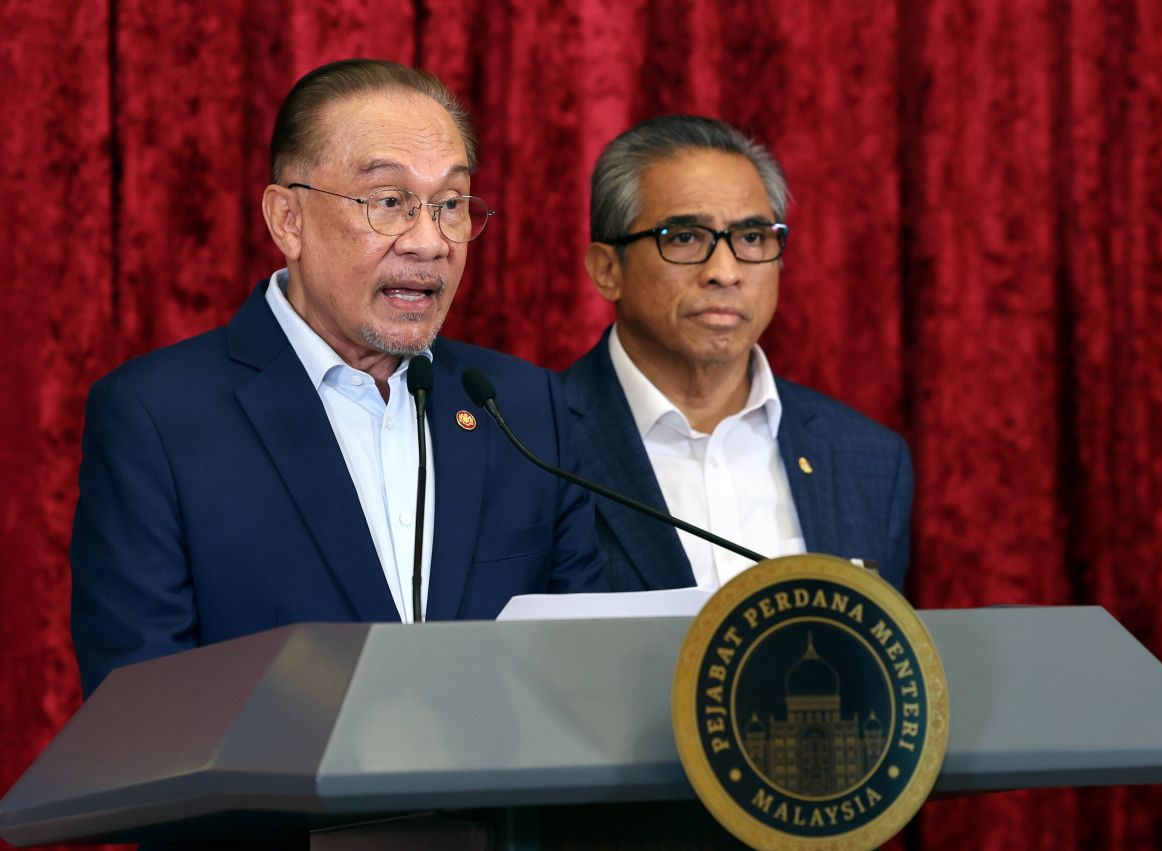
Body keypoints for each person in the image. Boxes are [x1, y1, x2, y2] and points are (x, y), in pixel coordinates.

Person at [70, 60, 605, 699]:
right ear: (288, 220)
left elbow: (585, 677)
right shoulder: (158, 418)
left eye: (450, 204)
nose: (430, 242)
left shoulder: (523, 409)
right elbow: (143, 708)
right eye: (389, 202)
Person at [561, 115, 912, 594]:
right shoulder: (533, 442)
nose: (725, 272)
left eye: (751, 238)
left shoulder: (866, 459)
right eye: (685, 238)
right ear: (607, 270)